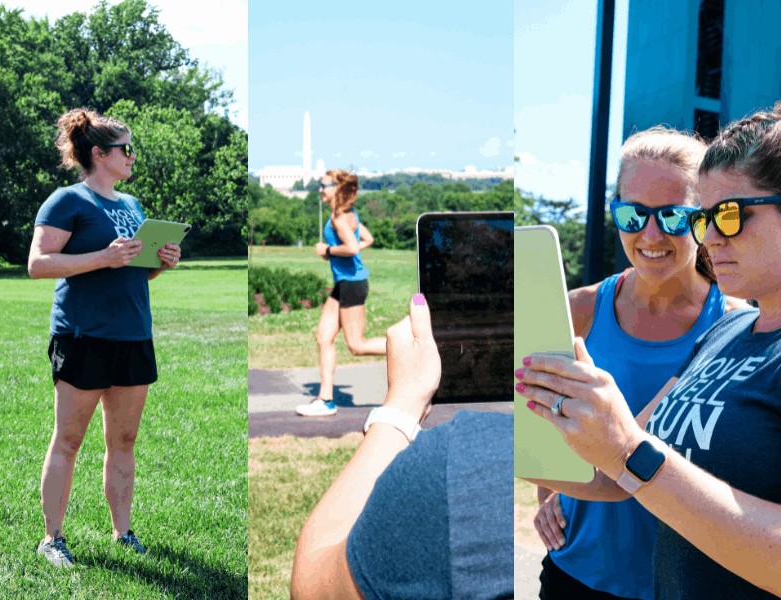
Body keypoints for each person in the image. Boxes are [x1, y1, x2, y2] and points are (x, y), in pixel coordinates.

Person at [517, 102, 781, 598]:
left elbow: (630, 453)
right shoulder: (727, 337)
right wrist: (548, 480)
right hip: (584, 569)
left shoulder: (731, 321)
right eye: (632, 213)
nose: (652, 234)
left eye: (726, 216)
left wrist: (622, 452)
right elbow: (614, 466)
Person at [29, 108, 181, 567]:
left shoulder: (131, 205)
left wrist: (160, 261)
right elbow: (38, 264)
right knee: (69, 440)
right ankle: (52, 539)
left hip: (133, 335)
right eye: (125, 149)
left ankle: (123, 532)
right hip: (82, 335)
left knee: (125, 441)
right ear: (99, 154)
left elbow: (130, 271)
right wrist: (103, 256)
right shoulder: (67, 201)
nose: (132, 157)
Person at [290, 294, 514, 599]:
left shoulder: (453, 467)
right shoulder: (575, 498)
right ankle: (325, 395)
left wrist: (401, 405)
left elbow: (314, 588)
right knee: (328, 337)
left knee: (354, 344)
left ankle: (326, 398)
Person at [296, 169, 386, 417]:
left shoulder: (339, 217)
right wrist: (339, 250)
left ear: (336, 187)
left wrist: (328, 250)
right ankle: (325, 400)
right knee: (324, 337)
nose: (320, 190)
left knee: (357, 345)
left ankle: (409, 347)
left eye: (323, 185)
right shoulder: (345, 215)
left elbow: (353, 246)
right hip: (343, 284)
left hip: (352, 284)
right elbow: (367, 238)